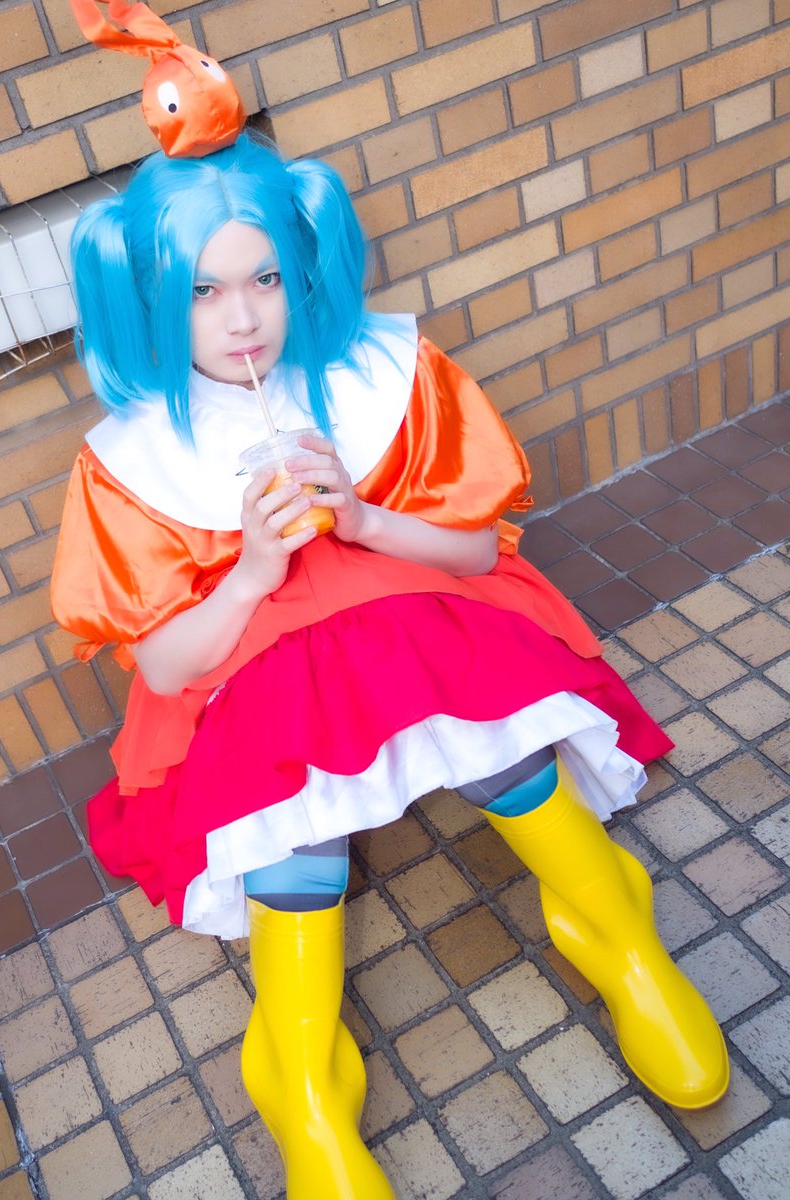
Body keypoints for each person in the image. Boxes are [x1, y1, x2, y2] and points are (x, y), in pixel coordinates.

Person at [53, 4, 728, 1197]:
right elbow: (162, 666)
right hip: (253, 659)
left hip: (412, 605)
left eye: (264, 278)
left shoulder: (384, 376)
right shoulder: (132, 459)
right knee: (291, 814)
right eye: (204, 293)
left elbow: (470, 553)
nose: (244, 317)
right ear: (153, 300)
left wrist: (360, 520)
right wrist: (255, 571)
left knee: (482, 716)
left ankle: (620, 938)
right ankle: (305, 1085)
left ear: (300, 265)